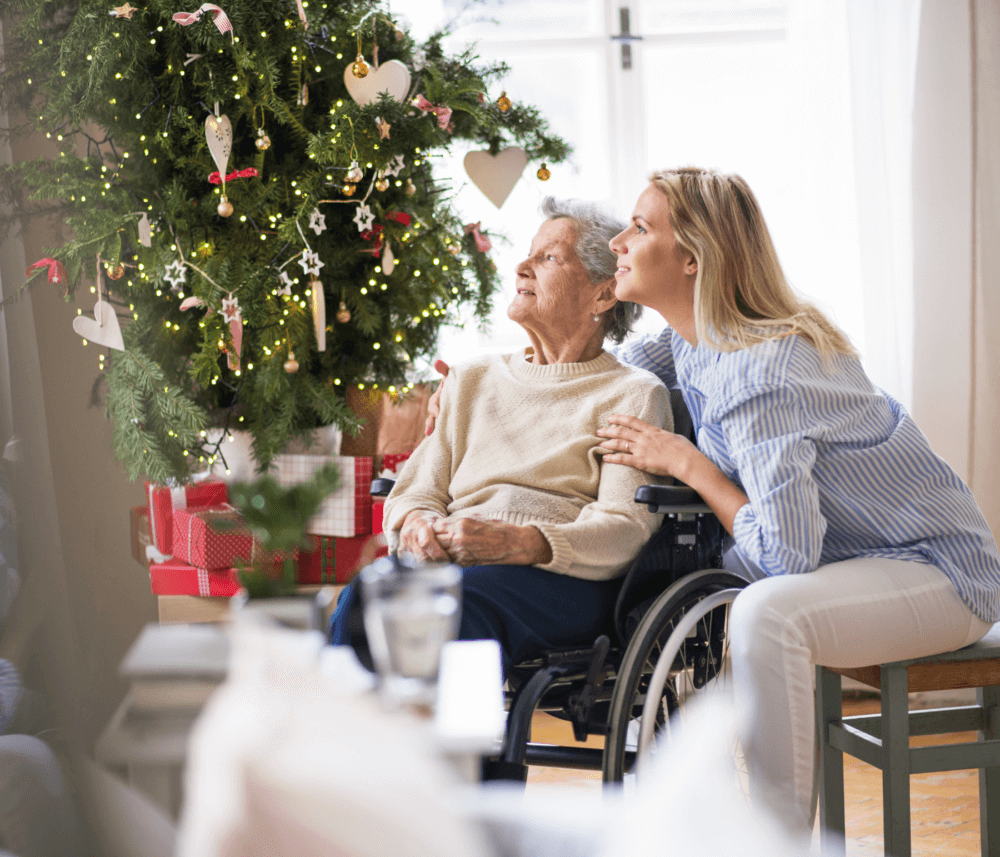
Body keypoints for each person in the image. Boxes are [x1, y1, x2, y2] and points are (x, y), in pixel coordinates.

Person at [588, 166, 1000, 838]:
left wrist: (689, 464)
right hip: (861, 562)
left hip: (941, 571)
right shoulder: (690, 344)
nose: (618, 243)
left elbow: (784, 555)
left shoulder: (766, 367)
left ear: (691, 258)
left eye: (639, 227)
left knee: (766, 612)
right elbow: (602, 383)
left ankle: (774, 843)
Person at [330, 198, 673, 676]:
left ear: (602, 294)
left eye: (549, 258)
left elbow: (625, 527)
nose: (522, 266)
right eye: (529, 253)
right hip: (458, 565)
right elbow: (417, 491)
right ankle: (352, 746)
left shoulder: (632, 394)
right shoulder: (471, 379)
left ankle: (450, 750)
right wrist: (417, 526)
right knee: (364, 595)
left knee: (449, 609)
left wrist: (523, 541)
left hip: (562, 580)